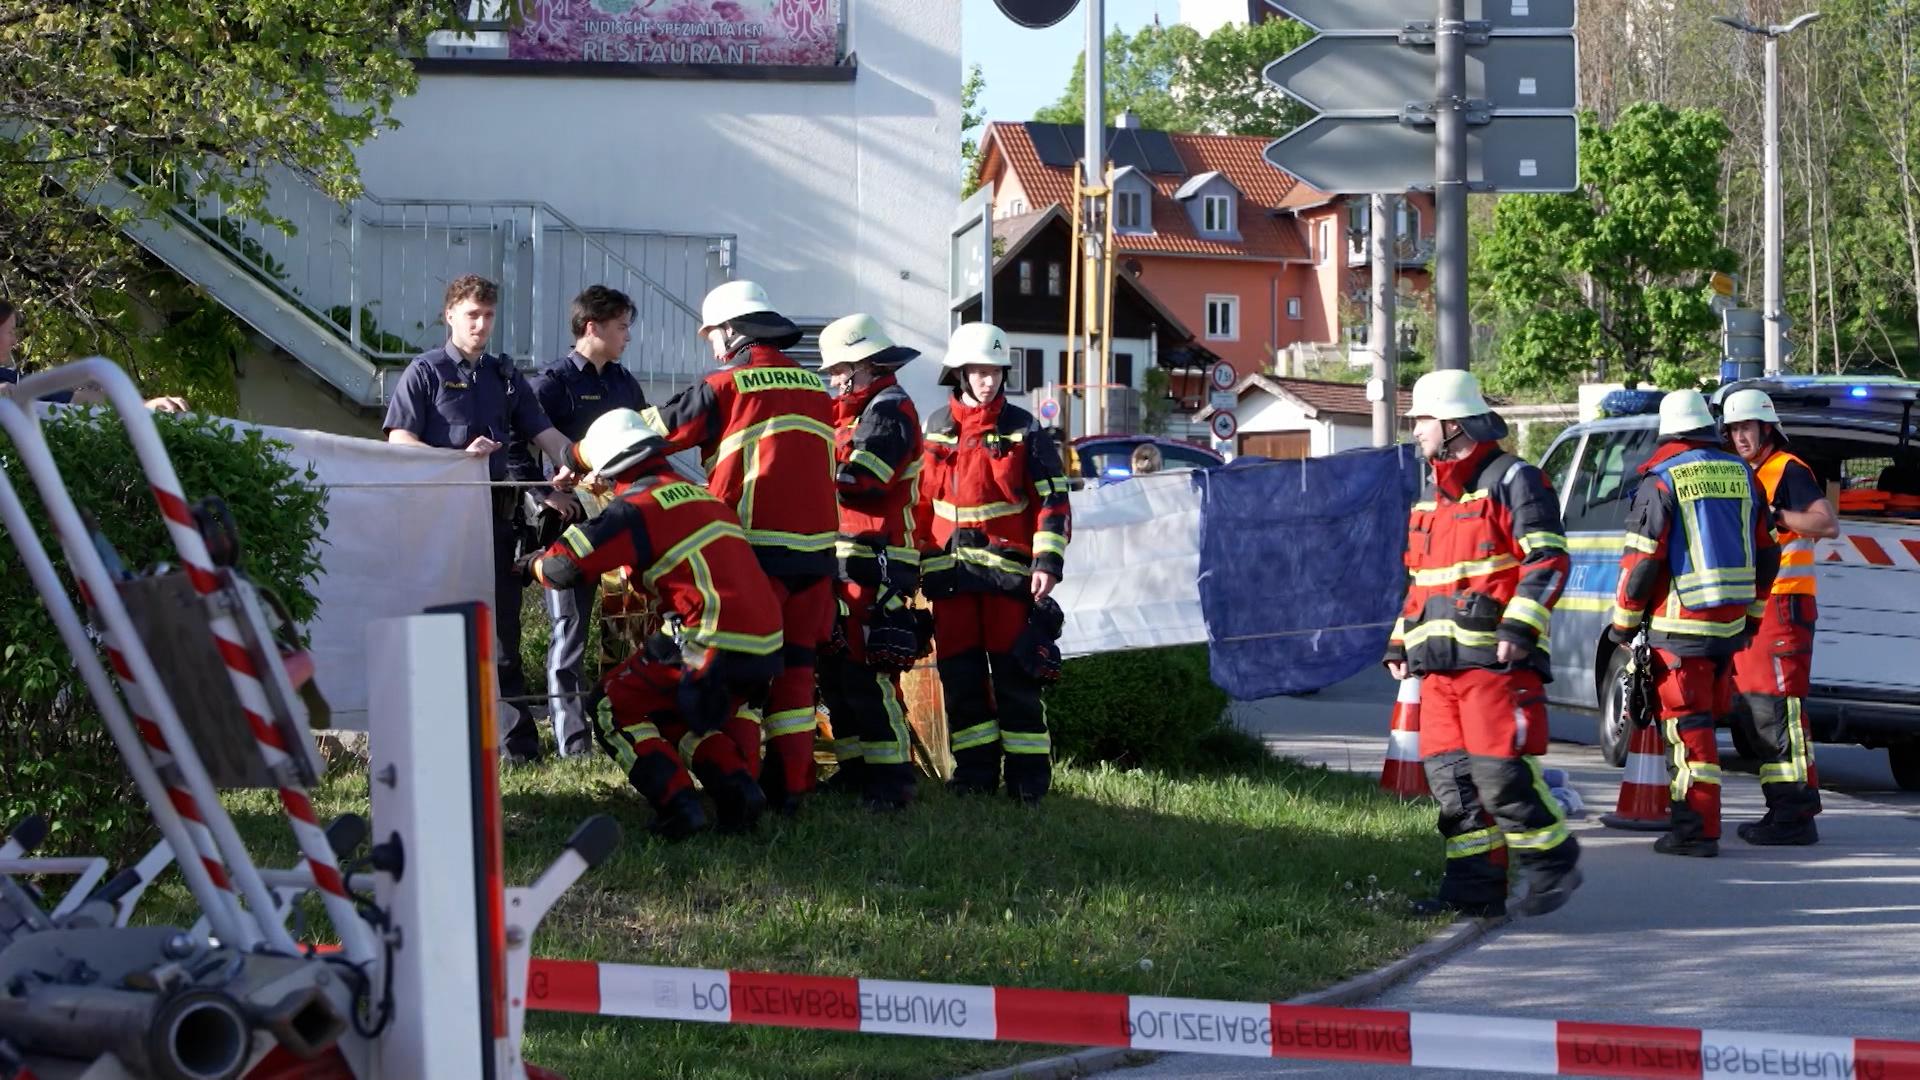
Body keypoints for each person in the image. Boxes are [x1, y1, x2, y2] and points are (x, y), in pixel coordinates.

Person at [524, 409, 780, 838]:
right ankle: (737, 790)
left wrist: (531, 562)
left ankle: (679, 807)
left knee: (611, 706)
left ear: (609, 470)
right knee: (673, 712)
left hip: (707, 638)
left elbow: (562, 568)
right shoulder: (702, 495)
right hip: (766, 641)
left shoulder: (634, 508)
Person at [1385, 369, 1581, 919]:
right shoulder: (1430, 497)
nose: (1416, 430)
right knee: (1454, 789)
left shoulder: (1515, 479)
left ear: (1451, 424)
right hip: (1439, 672)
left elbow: (1548, 559)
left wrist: (1520, 629)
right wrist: (1400, 644)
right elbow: (1422, 584)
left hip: (1494, 666)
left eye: (1422, 420)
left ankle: (1554, 858)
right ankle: (1473, 892)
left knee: (1500, 777)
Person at [650, 280, 837, 814]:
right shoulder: (813, 387)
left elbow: (655, 432)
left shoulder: (728, 384)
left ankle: (743, 787)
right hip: (817, 558)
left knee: (738, 678)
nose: (711, 345)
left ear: (732, 330)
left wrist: (580, 451)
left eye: (712, 334)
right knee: (796, 679)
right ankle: (795, 790)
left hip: (752, 554)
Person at [383, 274, 576, 764]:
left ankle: (517, 749)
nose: (481, 325)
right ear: (450, 315)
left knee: (502, 631)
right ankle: (434, 745)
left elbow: (544, 431)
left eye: (489, 316)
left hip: (495, 519)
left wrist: (571, 461)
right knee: (438, 629)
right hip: (436, 519)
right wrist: (456, 457)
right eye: (473, 315)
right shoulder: (423, 372)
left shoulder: (504, 376)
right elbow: (398, 443)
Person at [1609, 389, 1779, 858]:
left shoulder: (1662, 479)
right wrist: (1752, 617)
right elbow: (1769, 555)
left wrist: (1622, 625)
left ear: (1667, 432)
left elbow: (1642, 564)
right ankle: (1699, 824)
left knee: (1689, 735)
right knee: (1704, 727)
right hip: (1728, 630)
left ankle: (1696, 831)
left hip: (1679, 630)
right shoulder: (1743, 474)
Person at [917, 322, 1071, 804]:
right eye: (979, 372)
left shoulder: (1025, 430)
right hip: (949, 580)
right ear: (959, 373)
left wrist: (1047, 561)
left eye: (996, 372)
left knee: (1015, 680)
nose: (988, 381)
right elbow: (919, 504)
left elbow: (1053, 500)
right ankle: (975, 776)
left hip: (1008, 579)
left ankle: (1028, 783)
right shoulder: (935, 427)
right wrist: (911, 564)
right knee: (961, 681)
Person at [509, 286, 647, 758]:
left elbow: (646, 445)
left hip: (625, 524)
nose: (628, 335)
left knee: (629, 629)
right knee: (569, 632)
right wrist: (543, 493)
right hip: (571, 530)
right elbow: (513, 447)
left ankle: (624, 729)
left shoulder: (626, 383)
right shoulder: (550, 383)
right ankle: (573, 744)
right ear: (593, 327)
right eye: (622, 326)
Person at [814, 313, 924, 811]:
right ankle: (856, 769)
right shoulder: (850, 415)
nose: (835, 380)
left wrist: (804, 467)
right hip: (843, 561)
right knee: (837, 672)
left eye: (840, 370)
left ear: (866, 365)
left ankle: (893, 780)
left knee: (867, 673)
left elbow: (865, 480)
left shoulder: (890, 410)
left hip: (875, 561)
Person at [1722, 388, 1836, 845]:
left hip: (1784, 602)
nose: (1740, 436)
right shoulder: (1744, 472)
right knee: (1761, 711)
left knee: (1778, 711)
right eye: (1733, 429)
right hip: (1762, 605)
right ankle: (1785, 806)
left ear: (1766, 428)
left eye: (1747, 427)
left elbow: (1826, 523)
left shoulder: (1786, 469)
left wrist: (1775, 513)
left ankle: (1795, 815)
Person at [0, 300, 188, 412]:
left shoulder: (9, 379)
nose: (15, 340)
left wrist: (146, 406)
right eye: (10, 332)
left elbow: (80, 398)